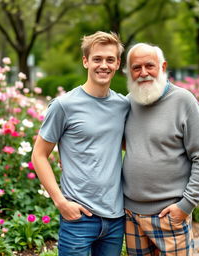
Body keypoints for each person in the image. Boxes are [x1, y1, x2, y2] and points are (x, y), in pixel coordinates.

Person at [31, 31, 130, 256]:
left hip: (115, 219)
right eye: (97, 59)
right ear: (86, 61)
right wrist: (60, 201)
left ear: (117, 64)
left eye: (109, 59)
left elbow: (128, 145)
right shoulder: (64, 105)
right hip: (78, 218)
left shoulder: (122, 106)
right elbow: (38, 155)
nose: (103, 65)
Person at [122, 43, 199, 256]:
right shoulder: (128, 103)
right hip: (131, 215)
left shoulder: (184, 101)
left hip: (169, 215)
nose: (143, 73)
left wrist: (185, 206)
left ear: (163, 67)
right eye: (136, 67)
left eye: (149, 66)